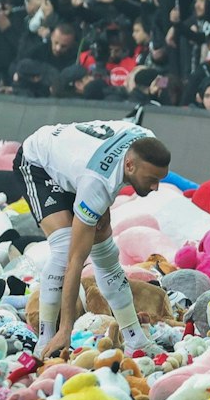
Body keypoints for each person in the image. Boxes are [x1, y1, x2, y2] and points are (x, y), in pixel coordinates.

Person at [16, 119, 171, 356]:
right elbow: (74, 262)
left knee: (106, 252)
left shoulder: (145, 138)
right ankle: (46, 341)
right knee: (65, 248)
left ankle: (135, 339)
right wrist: (66, 329)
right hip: (39, 164)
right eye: (151, 180)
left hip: (81, 166)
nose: (156, 188)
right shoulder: (97, 184)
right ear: (129, 166)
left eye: (159, 179)